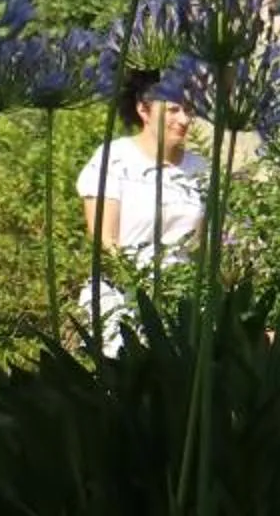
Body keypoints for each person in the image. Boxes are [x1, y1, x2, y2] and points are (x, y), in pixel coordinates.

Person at [72, 68, 206, 353]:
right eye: (173, 110)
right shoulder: (115, 159)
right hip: (124, 301)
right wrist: (143, 287)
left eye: (188, 110)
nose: (183, 120)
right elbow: (103, 239)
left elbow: (203, 246)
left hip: (183, 304)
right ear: (143, 109)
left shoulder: (200, 168)